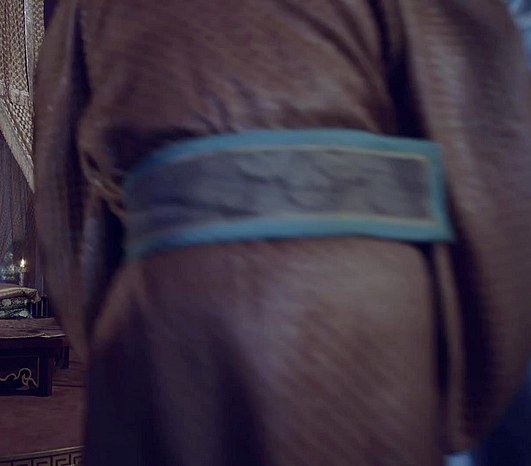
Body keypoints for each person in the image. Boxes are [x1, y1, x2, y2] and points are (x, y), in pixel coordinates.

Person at [34, 1, 531, 465]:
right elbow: (483, 113)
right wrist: (474, 361)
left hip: (169, 302)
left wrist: (117, 317)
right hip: (359, 299)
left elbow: (64, 175)